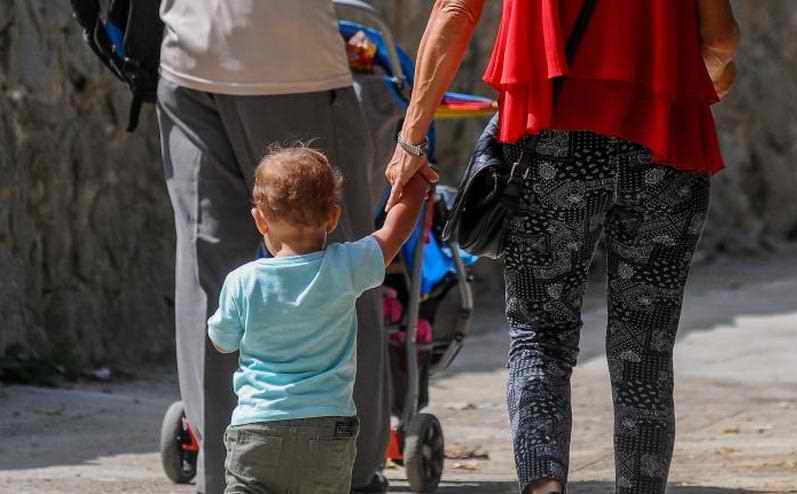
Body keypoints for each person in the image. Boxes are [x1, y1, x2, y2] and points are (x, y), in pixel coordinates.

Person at [384, 1, 739, 493]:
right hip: (664, 142)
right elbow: (719, 41)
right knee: (644, 352)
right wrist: (703, 72)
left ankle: (543, 485)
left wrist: (412, 138)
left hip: (552, 140)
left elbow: (455, 11)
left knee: (540, 336)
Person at [156, 2, 391, 492]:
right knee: (337, 265)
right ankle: (348, 474)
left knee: (210, 268)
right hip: (292, 56)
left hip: (190, 50)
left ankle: (224, 475)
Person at [207, 146, 428, 494]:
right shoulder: (346, 266)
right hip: (328, 427)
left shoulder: (242, 281)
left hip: (258, 425)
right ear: (334, 216)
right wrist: (415, 182)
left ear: (260, 220)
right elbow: (395, 232)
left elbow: (223, 341)